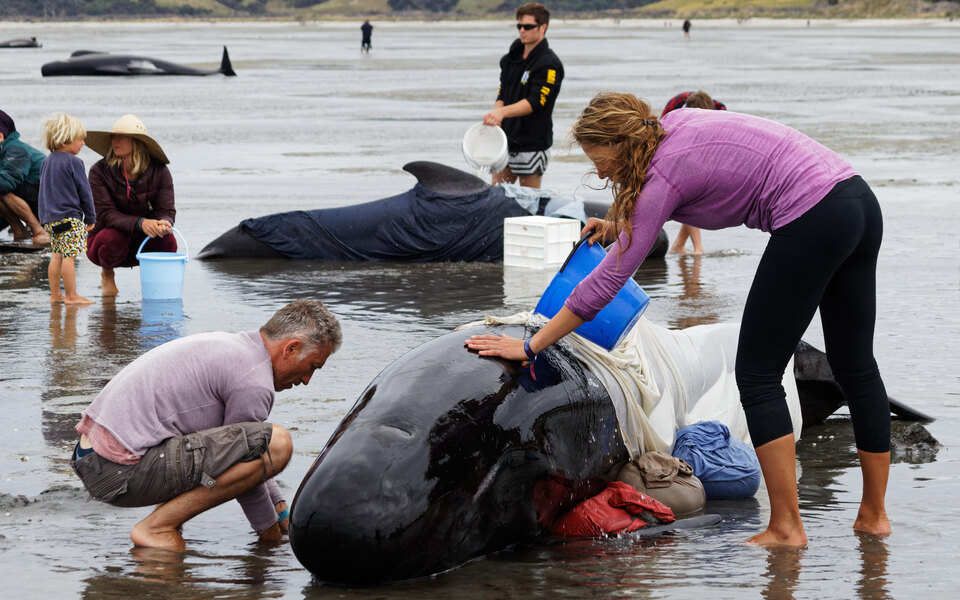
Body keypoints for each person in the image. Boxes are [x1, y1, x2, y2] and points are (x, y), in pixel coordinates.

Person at [467, 92, 892, 546]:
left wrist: (531, 345)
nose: (600, 172)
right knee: (856, 366)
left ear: (621, 143)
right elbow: (678, 180)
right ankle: (873, 516)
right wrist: (617, 226)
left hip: (811, 216)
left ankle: (786, 528)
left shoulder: (661, 176)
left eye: (600, 159)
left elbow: (606, 282)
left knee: (758, 374)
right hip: (856, 201)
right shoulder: (673, 124)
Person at [70, 299, 342, 551]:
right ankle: (156, 528)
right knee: (278, 443)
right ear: (291, 348)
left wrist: (281, 510)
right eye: (312, 366)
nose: (307, 379)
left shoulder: (238, 349)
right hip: (117, 471)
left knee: (262, 445)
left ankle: (161, 525)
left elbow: (249, 459)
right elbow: (252, 463)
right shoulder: (253, 382)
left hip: (93, 458)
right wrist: (272, 543)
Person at [84, 114, 176, 296]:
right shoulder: (99, 171)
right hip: (104, 242)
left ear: (137, 142)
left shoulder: (160, 171)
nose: (114, 140)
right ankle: (107, 275)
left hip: (142, 239)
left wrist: (164, 222)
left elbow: (166, 210)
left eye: (120, 136)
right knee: (113, 238)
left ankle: (155, 285)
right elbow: (106, 214)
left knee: (168, 241)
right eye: (113, 136)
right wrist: (141, 223)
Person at [483, 2, 564, 189]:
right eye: (519, 26)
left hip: (533, 142)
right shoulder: (510, 59)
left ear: (543, 27)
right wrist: (496, 116)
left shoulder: (550, 64)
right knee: (497, 195)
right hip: (506, 139)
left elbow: (536, 102)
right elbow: (502, 91)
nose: (522, 31)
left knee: (529, 201)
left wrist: (502, 113)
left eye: (528, 26)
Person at [38, 113, 96, 305]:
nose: (83, 143)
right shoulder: (74, 162)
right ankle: (71, 295)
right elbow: (85, 192)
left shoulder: (47, 161)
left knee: (56, 255)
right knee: (69, 256)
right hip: (69, 218)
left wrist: (43, 218)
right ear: (67, 139)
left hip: (50, 218)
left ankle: (55, 295)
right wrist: (90, 216)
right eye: (81, 139)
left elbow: (43, 191)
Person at [661, 90, 727, 255]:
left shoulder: (720, 111)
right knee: (688, 194)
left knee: (693, 195)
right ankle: (697, 248)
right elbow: (661, 133)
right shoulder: (674, 110)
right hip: (678, 146)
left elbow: (720, 139)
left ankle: (679, 246)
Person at [0, 109, 49, 245]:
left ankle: (39, 231)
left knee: (2, 189)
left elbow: (5, 184)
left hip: (51, 205)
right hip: (36, 199)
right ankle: (20, 231)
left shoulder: (16, 150)